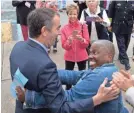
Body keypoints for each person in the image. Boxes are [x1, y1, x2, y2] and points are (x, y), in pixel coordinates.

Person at [10, 8, 118, 113]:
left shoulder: (18, 47)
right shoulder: (45, 65)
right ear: (44, 31)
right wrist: (96, 100)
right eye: (57, 28)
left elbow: (23, 78)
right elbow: (61, 107)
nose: (59, 33)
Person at [16, 40, 128, 113]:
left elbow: (66, 100)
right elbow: (74, 75)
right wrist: (44, 73)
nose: (90, 56)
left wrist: (28, 97)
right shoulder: (106, 69)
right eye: (90, 52)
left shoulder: (100, 76)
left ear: (109, 57)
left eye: (95, 53)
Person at [61, 4, 90, 89]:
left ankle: (81, 90)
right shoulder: (64, 29)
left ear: (77, 14)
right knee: (68, 76)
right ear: (67, 14)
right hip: (69, 56)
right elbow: (64, 46)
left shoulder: (83, 25)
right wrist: (69, 41)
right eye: (70, 14)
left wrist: (81, 39)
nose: (72, 16)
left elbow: (87, 43)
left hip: (82, 56)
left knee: (82, 76)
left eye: (74, 14)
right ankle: (68, 91)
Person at [108, 1, 134, 70]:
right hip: (118, 26)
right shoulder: (115, 1)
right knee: (121, 44)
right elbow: (110, 13)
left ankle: (121, 56)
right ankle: (126, 62)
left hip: (128, 27)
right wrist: (109, 24)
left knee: (126, 43)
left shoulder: (132, 2)